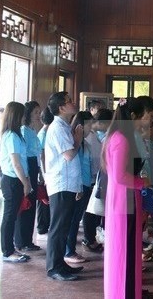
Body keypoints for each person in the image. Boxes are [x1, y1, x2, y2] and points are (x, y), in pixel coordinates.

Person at [103, 96, 153, 299]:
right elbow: (119, 176)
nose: (150, 119)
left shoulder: (121, 137)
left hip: (127, 199)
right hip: (123, 201)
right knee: (123, 252)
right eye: (148, 115)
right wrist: (143, 182)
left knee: (129, 250)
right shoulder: (121, 139)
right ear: (134, 116)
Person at [44, 91, 84, 281]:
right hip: (60, 183)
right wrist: (77, 139)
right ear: (61, 108)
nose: (73, 103)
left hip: (68, 184)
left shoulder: (64, 126)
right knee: (58, 227)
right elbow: (69, 155)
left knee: (64, 226)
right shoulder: (57, 128)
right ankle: (53, 267)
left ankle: (61, 264)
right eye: (69, 102)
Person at [0, 101, 32, 263]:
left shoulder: (15, 134)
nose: (24, 117)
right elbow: (16, 163)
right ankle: (7, 251)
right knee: (10, 215)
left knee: (13, 215)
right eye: (22, 114)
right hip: (12, 180)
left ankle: (10, 247)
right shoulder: (11, 135)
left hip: (16, 179)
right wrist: (25, 182)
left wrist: (26, 180)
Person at [64, 111, 94, 264]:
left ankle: (70, 250)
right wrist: (79, 188)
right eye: (89, 124)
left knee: (76, 219)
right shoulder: (75, 142)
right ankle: (69, 251)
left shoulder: (84, 143)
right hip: (79, 185)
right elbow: (75, 167)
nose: (91, 128)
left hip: (86, 184)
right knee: (73, 220)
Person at [83, 108, 112, 252]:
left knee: (95, 209)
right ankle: (89, 238)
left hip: (96, 176)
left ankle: (92, 236)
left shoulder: (95, 135)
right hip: (91, 177)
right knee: (91, 210)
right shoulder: (90, 136)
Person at [14, 100, 42, 252]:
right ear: (29, 113)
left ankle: (28, 239)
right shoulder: (24, 131)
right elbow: (24, 155)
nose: (39, 115)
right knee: (25, 205)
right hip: (28, 167)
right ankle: (20, 240)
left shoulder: (32, 130)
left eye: (39, 112)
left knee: (31, 205)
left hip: (34, 166)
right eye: (36, 112)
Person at [36, 107, 54, 235]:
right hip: (44, 172)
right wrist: (44, 174)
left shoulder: (47, 131)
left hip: (47, 171)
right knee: (43, 200)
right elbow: (41, 156)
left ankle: (45, 224)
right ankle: (42, 226)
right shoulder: (43, 134)